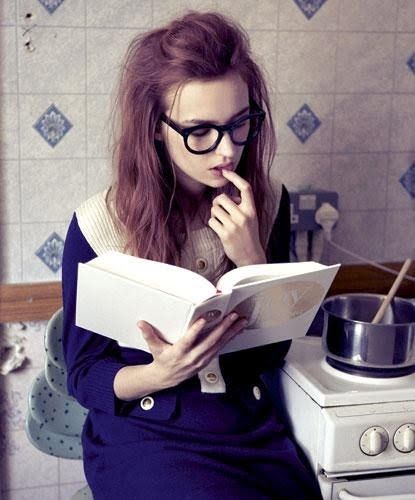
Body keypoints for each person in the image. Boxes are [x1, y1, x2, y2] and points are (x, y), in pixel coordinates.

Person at [62, 11, 322, 500]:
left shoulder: (267, 204)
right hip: (145, 436)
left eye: (240, 123)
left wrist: (254, 262)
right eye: (200, 131)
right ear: (156, 128)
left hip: (246, 428)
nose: (226, 150)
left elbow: (273, 353)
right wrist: (161, 374)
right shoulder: (98, 225)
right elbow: (83, 375)